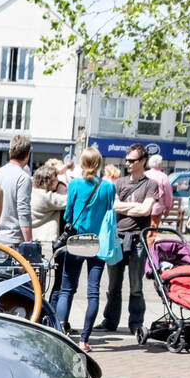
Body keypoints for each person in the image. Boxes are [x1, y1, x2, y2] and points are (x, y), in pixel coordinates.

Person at [55, 146, 116, 352]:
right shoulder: (108, 187)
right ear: (99, 164)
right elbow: (109, 213)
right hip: (98, 241)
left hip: (77, 240)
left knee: (67, 289)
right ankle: (84, 339)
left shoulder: (74, 185)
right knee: (93, 292)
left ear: (82, 163)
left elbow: (68, 215)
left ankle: (62, 332)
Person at [98, 142, 154, 335]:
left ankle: (136, 323)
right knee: (113, 285)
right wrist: (133, 207)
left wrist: (125, 206)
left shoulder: (150, 184)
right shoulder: (119, 183)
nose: (127, 163)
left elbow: (146, 210)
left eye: (132, 160)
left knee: (136, 286)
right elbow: (113, 206)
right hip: (117, 238)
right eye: (127, 160)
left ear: (143, 161)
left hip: (138, 239)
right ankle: (110, 321)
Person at [0, 133, 33, 246]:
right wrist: (29, 243)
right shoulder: (23, 177)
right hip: (13, 241)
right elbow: (24, 213)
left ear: (10, 152)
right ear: (28, 155)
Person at [30, 163, 67, 251]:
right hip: (45, 240)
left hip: (33, 236)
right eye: (56, 178)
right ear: (49, 180)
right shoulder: (46, 197)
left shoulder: (33, 191)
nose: (58, 181)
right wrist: (63, 184)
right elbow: (69, 200)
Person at [146, 153, 173, 227]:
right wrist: (168, 208)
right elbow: (168, 194)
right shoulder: (163, 176)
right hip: (156, 209)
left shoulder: (144, 174)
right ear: (160, 164)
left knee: (143, 230)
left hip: (143, 207)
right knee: (152, 232)